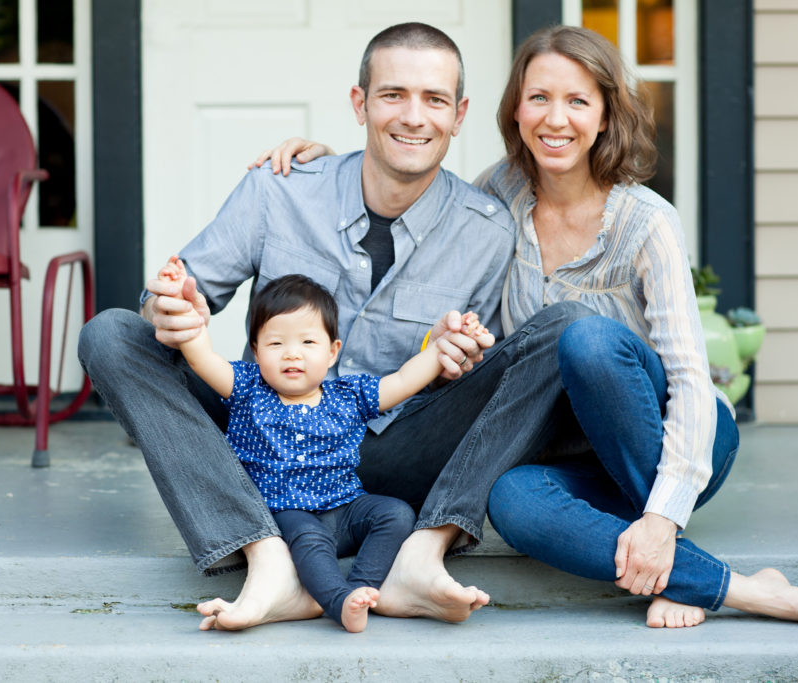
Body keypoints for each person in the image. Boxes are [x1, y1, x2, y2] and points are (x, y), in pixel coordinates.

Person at [254, 25, 798, 632]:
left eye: (578, 101)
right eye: (539, 97)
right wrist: (328, 168)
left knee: (586, 338)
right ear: (515, 109)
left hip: (673, 435)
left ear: (605, 116)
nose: (556, 119)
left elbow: (690, 380)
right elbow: (411, 186)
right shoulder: (498, 195)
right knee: (511, 502)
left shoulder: (647, 222)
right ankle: (746, 589)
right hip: (572, 453)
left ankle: (677, 554)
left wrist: (662, 521)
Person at [78, 21, 595, 632]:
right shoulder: (280, 190)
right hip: (264, 437)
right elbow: (179, 293)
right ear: (360, 104)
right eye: (392, 95)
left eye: (433, 100)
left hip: (395, 449)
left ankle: (424, 550)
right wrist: (167, 308)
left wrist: (456, 355)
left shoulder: (486, 229)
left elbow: (463, 375)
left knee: (566, 327)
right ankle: (262, 550)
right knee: (110, 333)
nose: (413, 117)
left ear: (458, 116)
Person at [159, 262, 490, 632]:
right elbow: (202, 358)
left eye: (307, 342)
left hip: (346, 507)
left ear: (332, 352)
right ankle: (334, 601)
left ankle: (362, 588)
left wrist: (441, 347)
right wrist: (184, 311)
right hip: (288, 513)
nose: (292, 353)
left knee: (395, 514)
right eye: (276, 342)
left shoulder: (348, 395)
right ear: (256, 349)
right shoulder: (247, 388)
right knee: (308, 538)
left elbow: (403, 379)